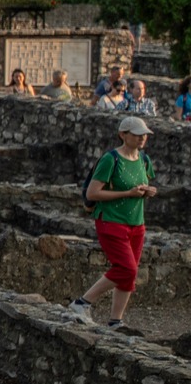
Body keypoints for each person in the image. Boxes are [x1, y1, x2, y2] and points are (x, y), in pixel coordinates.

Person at [70, 116, 159, 330]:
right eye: (137, 134)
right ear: (123, 135)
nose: (142, 138)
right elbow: (93, 192)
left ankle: (115, 320)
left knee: (130, 273)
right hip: (111, 220)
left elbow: (145, 183)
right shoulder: (111, 159)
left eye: (144, 134)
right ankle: (82, 302)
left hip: (136, 222)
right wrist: (127, 193)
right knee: (126, 268)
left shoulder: (143, 159)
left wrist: (148, 192)